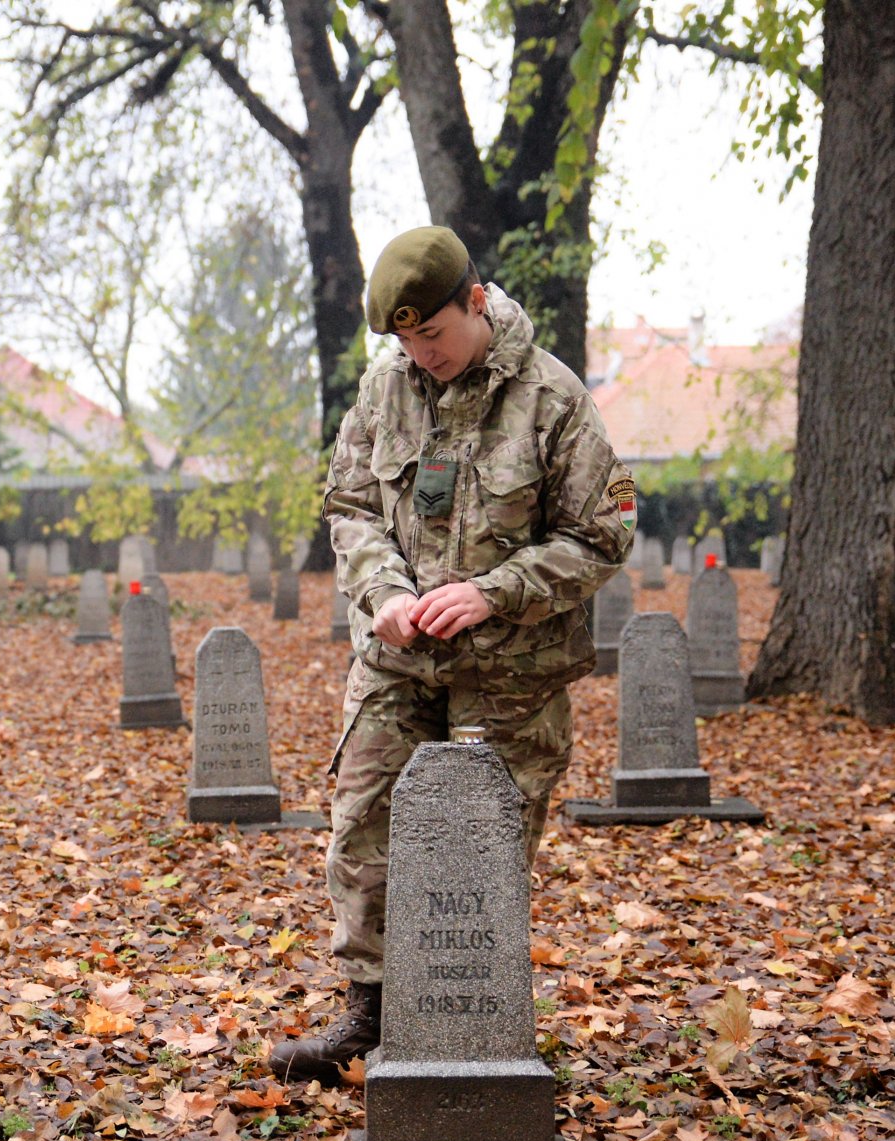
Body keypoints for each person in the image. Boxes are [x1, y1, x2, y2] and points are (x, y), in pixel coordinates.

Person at [269, 226, 634, 1085]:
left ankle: (471, 1024)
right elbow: (350, 505)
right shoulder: (386, 389)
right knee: (362, 826)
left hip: (509, 675)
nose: (420, 354)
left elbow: (603, 536)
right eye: (405, 341)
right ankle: (371, 1014)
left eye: (432, 334)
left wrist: (495, 591)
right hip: (398, 664)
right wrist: (384, 593)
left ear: (476, 301)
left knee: (480, 853)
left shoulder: (551, 398)